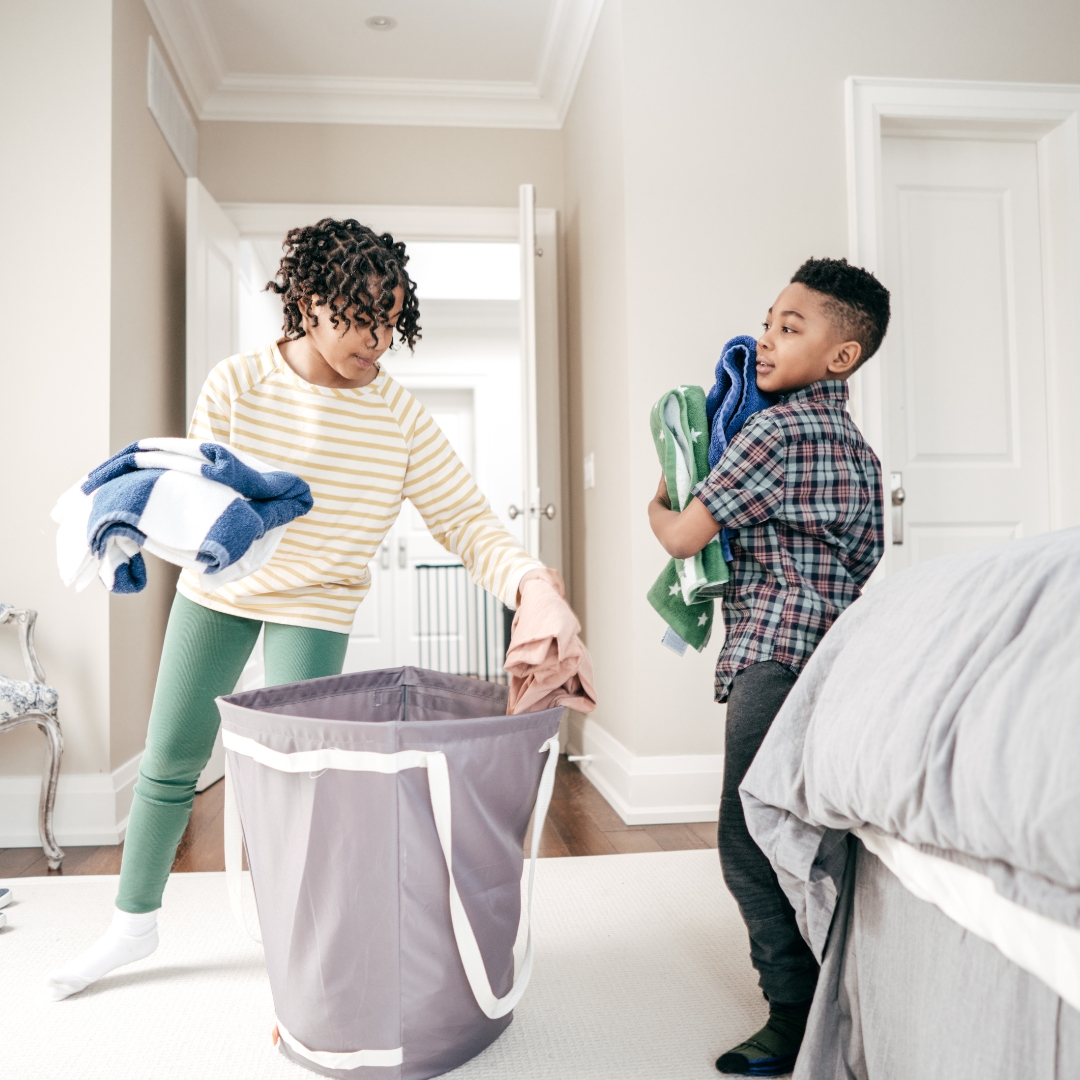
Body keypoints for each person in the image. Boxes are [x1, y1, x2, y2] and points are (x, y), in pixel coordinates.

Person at [46, 219, 547, 1000]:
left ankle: (307, 960)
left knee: (303, 787)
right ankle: (130, 925)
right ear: (310, 304)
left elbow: (470, 522)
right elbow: (205, 508)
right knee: (171, 755)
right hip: (222, 591)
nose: (377, 338)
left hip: (317, 605)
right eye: (360, 314)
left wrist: (533, 587)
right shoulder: (239, 384)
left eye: (391, 318)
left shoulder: (400, 418)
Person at [648, 258, 889, 1076]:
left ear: (840, 356)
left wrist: (663, 491)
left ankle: (792, 1012)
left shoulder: (772, 433)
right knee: (816, 829)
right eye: (769, 322)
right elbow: (862, 565)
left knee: (747, 836)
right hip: (841, 665)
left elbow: (685, 535)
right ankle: (843, 984)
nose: (767, 337)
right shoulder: (862, 454)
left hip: (771, 662)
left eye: (792, 326)